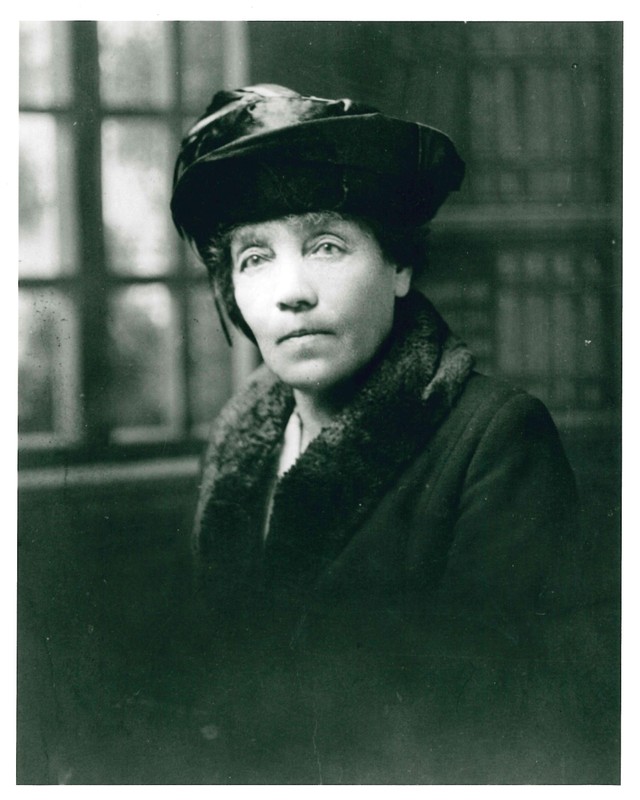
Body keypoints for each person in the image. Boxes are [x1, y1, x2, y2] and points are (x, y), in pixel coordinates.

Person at [168, 84, 593, 784]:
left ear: (399, 265)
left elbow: (496, 735)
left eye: (326, 245)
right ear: (235, 297)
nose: (291, 290)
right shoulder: (238, 447)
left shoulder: (495, 438)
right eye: (255, 259)